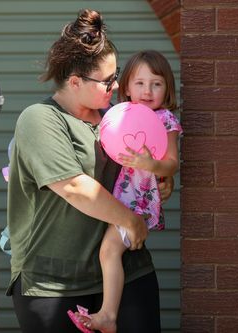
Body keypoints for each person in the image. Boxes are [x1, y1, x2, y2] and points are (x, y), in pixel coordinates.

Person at [6, 9, 168, 333]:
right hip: (54, 283)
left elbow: (147, 165)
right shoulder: (40, 119)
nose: (117, 84)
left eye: (116, 74)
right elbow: (76, 188)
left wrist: (161, 181)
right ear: (75, 81)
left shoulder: (118, 116)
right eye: (107, 80)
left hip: (126, 271)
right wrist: (131, 219)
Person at [74, 50, 183, 332]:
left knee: (109, 251)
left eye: (156, 84)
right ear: (126, 86)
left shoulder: (165, 119)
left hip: (138, 201)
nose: (147, 91)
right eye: (140, 83)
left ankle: (108, 315)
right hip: (121, 198)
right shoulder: (120, 115)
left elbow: (172, 165)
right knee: (109, 250)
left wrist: (153, 165)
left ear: (166, 88)